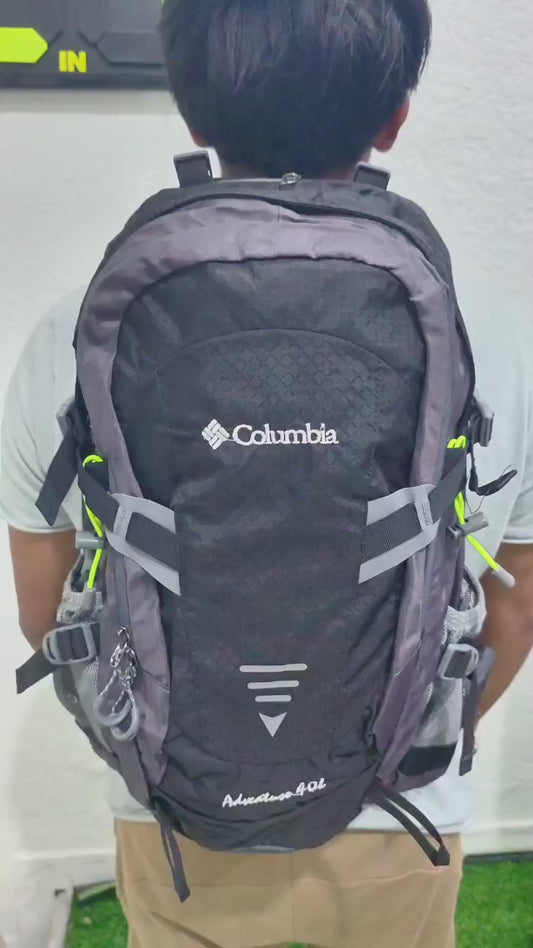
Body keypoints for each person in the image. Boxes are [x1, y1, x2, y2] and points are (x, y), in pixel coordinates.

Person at [2, 2, 533, 947]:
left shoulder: (70, 329)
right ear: (393, 117)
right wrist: (396, 729)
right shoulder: (493, 333)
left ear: (191, 113)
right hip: (400, 805)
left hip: (175, 801)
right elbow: (516, 601)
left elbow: (44, 609)